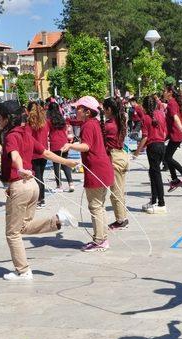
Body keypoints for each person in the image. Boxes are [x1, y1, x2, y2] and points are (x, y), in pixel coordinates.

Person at [0, 100, 79, 281]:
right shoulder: (25, 133)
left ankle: (23, 271)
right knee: (23, 226)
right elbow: (46, 153)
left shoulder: (12, 136)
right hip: (32, 184)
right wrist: (67, 162)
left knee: (12, 232)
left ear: (7, 119)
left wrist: (18, 169)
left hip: (21, 183)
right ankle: (58, 220)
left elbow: (15, 155)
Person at [61, 96, 115, 252]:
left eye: (78, 108)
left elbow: (86, 146)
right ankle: (102, 238)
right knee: (100, 206)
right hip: (103, 168)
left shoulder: (89, 125)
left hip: (96, 170)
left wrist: (70, 146)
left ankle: (100, 240)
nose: (76, 110)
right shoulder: (94, 123)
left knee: (95, 206)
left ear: (87, 112)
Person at [133, 95, 168, 214]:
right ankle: (153, 200)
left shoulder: (146, 118)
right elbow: (164, 132)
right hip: (161, 145)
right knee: (152, 172)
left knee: (156, 174)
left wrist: (137, 152)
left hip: (153, 147)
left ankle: (161, 203)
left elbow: (145, 136)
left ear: (144, 106)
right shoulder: (161, 114)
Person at [102, 97, 130, 230]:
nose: (103, 112)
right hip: (122, 155)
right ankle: (123, 217)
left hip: (114, 158)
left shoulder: (109, 125)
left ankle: (120, 220)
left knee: (116, 192)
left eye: (104, 109)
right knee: (120, 190)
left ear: (109, 109)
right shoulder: (119, 121)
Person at [163, 84, 182, 191]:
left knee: (167, 157)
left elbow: (176, 118)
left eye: (165, 91)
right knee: (167, 156)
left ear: (170, 92)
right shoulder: (175, 102)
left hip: (176, 134)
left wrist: (181, 128)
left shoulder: (171, 103)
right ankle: (175, 179)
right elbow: (181, 118)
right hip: (176, 133)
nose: (163, 93)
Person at [46, 101, 74, 193]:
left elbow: (47, 132)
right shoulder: (63, 119)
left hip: (55, 143)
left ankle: (59, 185)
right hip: (64, 142)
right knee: (65, 163)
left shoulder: (49, 121)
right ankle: (71, 183)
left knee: (56, 165)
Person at [26, 101, 50, 208]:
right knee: (40, 176)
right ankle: (42, 198)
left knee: (37, 177)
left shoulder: (30, 123)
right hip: (44, 151)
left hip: (34, 152)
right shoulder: (45, 122)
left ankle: (39, 199)